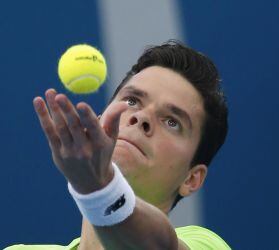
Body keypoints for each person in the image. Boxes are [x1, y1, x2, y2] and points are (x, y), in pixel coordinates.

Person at [6, 41, 231, 249]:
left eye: (172, 122)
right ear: (100, 118)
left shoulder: (206, 244)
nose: (141, 117)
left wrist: (100, 189)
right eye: (132, 101)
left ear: (191, 179)